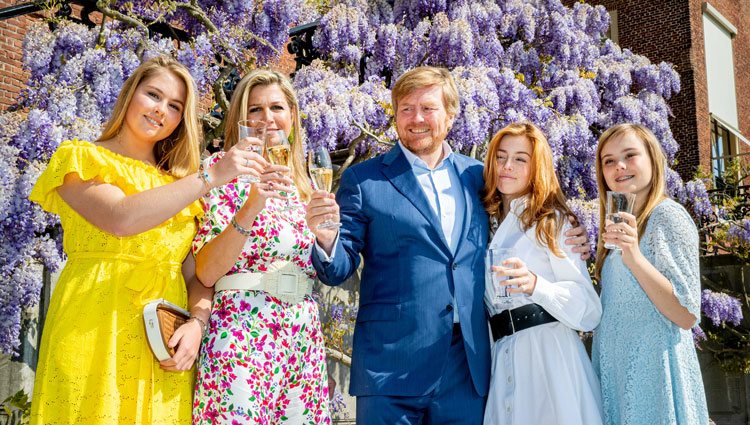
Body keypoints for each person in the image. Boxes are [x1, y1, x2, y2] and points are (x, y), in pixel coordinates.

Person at [305, 66, 591, 424]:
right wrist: (327, 237)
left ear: (451, 116)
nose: (416, 118)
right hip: (390, 367)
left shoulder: (478, 176)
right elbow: (337, 268)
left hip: (465, 368)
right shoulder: (365, 179)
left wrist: (567, 231)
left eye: (428, 108)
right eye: (406, 109)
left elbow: (524, 210)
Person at [28, 56, 260, 424]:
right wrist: (209, 177)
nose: (161, 111)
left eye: (175, 106)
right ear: (130, 93)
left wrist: (197, 326)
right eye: (154, 95)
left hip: (158, 345)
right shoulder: (80, 157)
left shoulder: (180, 186)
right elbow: (121, 218)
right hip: (93, 328)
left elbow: (194, 276)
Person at [191, 69, 330, 424]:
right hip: (242, 333)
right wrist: (251, 205)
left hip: (301, 338)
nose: (267, 118)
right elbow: (206, 272)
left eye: (277, 108)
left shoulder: (307, 182)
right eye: (255, 109)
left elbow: (323, 264)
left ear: (293, 117)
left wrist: (327, 235)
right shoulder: (220, 172)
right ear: (241, 120)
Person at [481, 122, 603, 425]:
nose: (507, 166)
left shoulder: (554, 222)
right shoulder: (483, 220)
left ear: (537, 167)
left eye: (521, 159)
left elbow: (589, 310)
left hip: (548, 358)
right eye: (501, 156)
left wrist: (537, 285)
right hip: (502, 356)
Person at [591, 123, 708, 424]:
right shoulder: (616, 225)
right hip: (618, 372)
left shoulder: (667, 216)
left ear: (652, 160)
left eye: (630, 155)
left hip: (655, 376)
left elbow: (686, 314)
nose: (619, 166)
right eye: (609, 161)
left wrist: (633, 256)